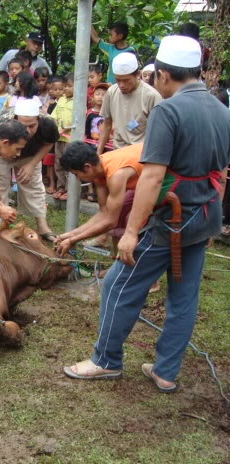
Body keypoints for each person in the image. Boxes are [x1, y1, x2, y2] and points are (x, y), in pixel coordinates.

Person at [63, 35, 230, 393]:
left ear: (164, 75)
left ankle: (105, 360)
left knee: (116, 285)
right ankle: (166, 371)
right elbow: (223, 173)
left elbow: (152, 176)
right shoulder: (221, 108)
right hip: (206, 216)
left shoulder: (169, 111)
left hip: (172, 217)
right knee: (183, 297)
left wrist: (131, 231)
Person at [0, 99, 59, 241]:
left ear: (38, 120)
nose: (27, 131)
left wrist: (32, 164)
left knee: (34, 187)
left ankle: (42, 226)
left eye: (32, 126)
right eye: (23, 125)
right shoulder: (1, 123)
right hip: (2, 156)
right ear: (14, 120)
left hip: (30, 155)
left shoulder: (48, 123)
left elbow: (49, 143)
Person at [96, 52, 163, 155]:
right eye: (118, 80)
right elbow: (107, 124)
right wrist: (98, 153)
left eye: (126, 80)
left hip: (140, 155)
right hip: (117, 152)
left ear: (138, 74)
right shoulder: (111, 92)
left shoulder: (151, 96)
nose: (122, 85)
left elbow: (159, 132)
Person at [50, 72, 75, 201]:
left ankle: (71, 190)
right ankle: (61, 187)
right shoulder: (61, 99)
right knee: (58, 162)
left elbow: (75, 120)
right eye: (65, 86)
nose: (66, 89)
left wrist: (64, 129)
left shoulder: (79, 101)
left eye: (69, 86)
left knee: (69, 164)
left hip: (71, 139)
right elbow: (54, 116)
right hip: (59, 138)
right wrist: (56, 129)